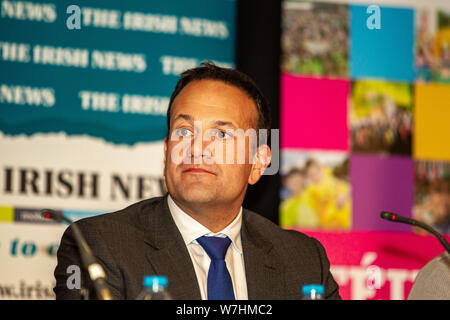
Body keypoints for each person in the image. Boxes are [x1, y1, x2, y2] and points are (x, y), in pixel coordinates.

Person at [53, 62, 341, 300]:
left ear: (258, 163)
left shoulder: (303, 261)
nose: (196, 148)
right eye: (183, 132)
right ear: (167, 151)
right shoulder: (98, 246)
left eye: (220, 135)